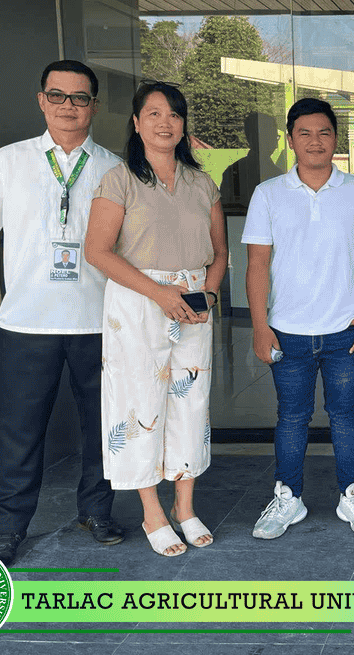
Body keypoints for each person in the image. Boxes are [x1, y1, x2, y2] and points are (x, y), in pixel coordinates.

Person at [0, 59, 124, 565]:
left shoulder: (116, 168)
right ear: (41, 100)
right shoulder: (7, 161)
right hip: (25, 324)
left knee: (103, 426)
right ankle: (8, 527)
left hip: (98, 321)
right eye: (58, 96)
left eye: (80, 98)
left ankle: (97, 511)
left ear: (94, 106)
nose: (68, 107)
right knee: (18, 428)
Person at [86, 81, 228, 557]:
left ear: (183, 124)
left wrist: (207, 292)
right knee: (140, 403)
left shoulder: (201, 182)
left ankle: (185, 507)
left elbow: (220, 251)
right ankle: (153, 512)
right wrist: (159, 293)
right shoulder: (119, 179)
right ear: (136, 123)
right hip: (138, 300)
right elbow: (97, 251)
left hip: (192, 301)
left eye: (173, 114)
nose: (164, 122)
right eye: (153, 114)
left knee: (190, 400)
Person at [243, 97, 354, 539]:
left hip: (346, 330)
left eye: (324, 132)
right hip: (287, 331)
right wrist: (259, 324)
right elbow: (257, 264)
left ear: (336, 139)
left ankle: (352, 496)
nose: (315, 141)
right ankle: (288, 498)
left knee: (346, 416)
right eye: (304, 133)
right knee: (291, 417)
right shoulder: (268, 194)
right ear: (290, 140)